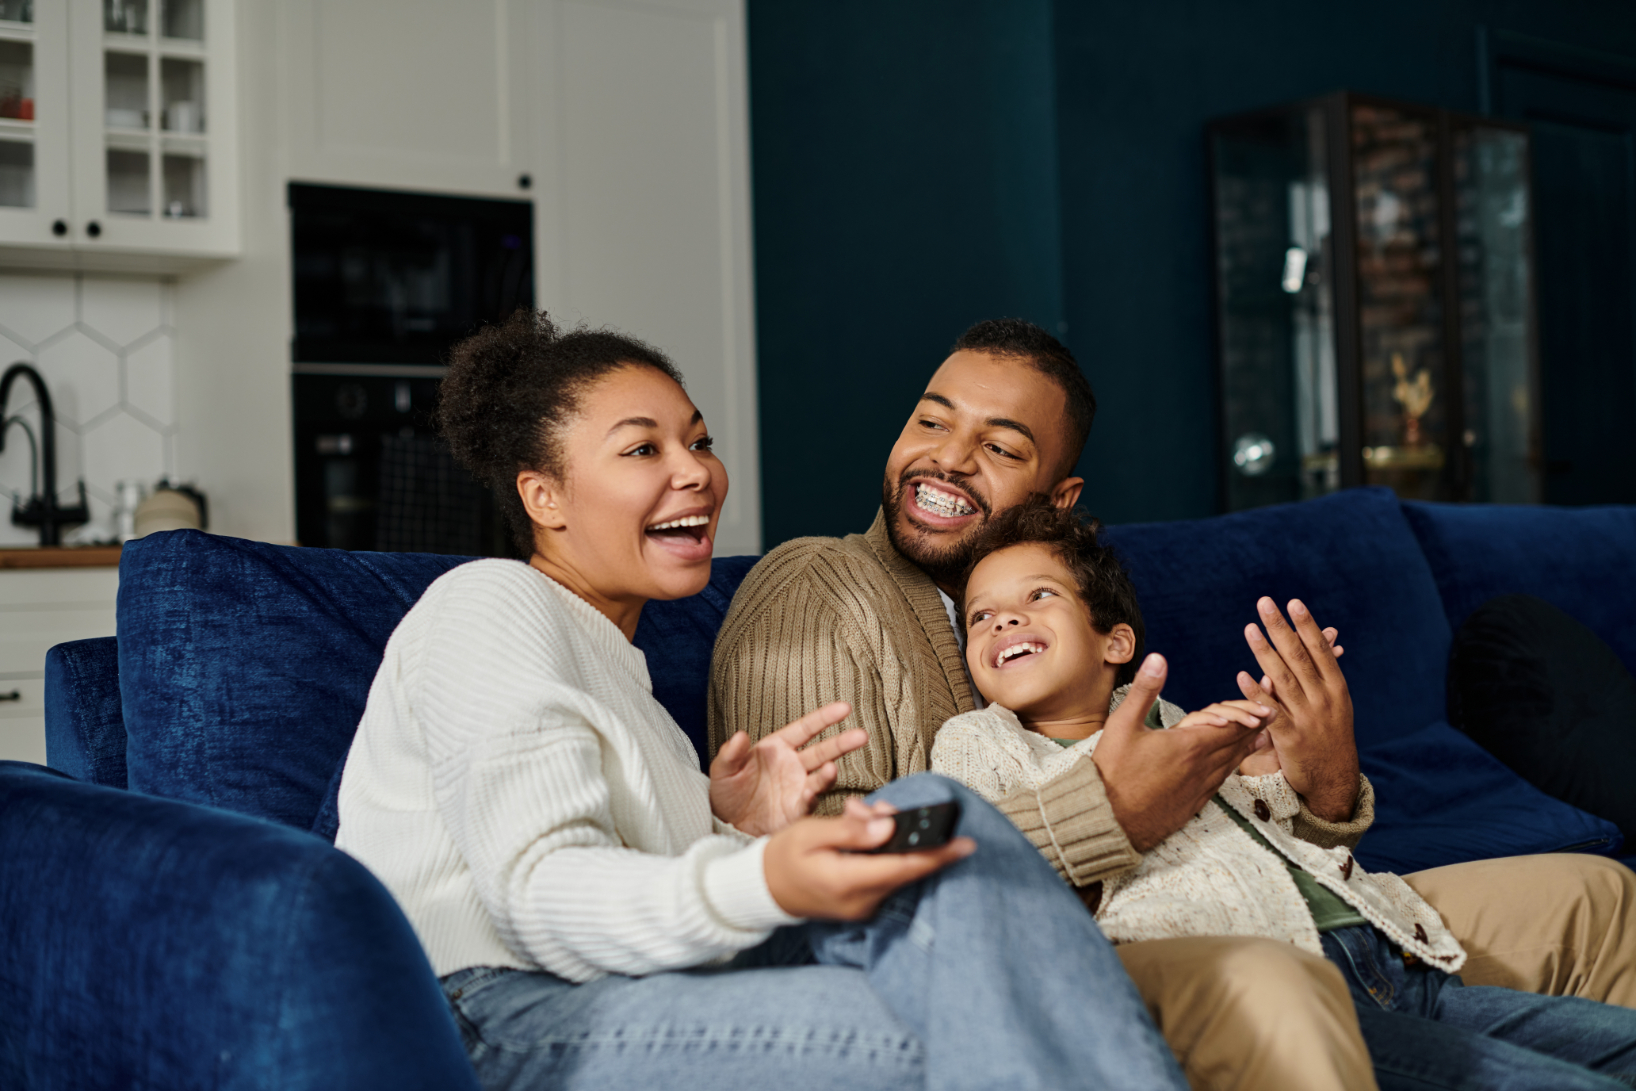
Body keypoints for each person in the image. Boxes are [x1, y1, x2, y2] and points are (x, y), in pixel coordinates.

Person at [709, 317, 1636, 1091]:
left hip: (1268, 902)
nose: (946, 459)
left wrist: (1322, 785)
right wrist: (1111, 808)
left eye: (999, 446)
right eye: (930, 420)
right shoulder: (819, 586)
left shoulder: (1087, 649)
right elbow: (841, 892)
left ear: (1060, 500)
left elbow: (1236, 835)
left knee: (1593, 893)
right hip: (1096, 951)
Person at [333, 310, 1191, 1091]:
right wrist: (766, 869)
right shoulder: (489, 603)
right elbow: (541, 896)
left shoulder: (630, 689)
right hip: (481, 1020)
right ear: (543, 495)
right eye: (644, 450)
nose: (697, 473)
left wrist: (728, 826)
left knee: (935, 810)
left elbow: (644, 895)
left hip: (621, 989)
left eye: (698, 442)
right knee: (955, 1023)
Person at [931, 497, 1636, 1090]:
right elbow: (1001, 886)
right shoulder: (977, 741)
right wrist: (1109, 798)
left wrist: (1284, 772)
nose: (1004, 621)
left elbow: (1276, 847)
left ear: (1115, 642)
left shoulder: (1172, 718)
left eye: (1037, 596)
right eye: (982, 616)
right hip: (1299, 978)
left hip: (1378, 948)